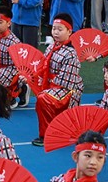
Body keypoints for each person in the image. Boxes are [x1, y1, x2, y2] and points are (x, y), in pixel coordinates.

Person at [32, 15, 84, 147]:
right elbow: (42, 66)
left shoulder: (71, 54)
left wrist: (45, 84)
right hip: (53, 85)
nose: (55, 32)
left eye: (60, 29)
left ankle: (49, 135)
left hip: (68, 90)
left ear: (69, 31)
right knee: (41, 96)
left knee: (43, 98)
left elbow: (66, 82)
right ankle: (50, 131)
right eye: (54, 29)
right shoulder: (51, 47)